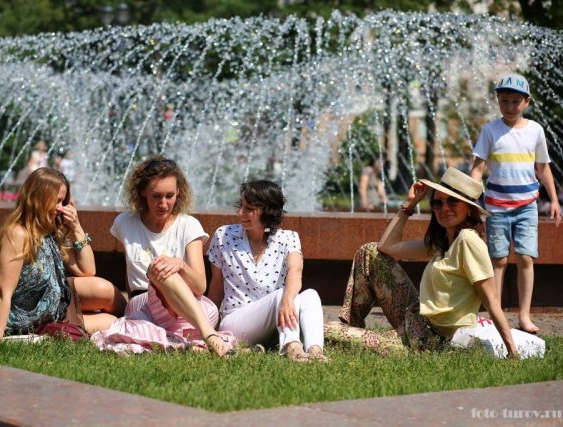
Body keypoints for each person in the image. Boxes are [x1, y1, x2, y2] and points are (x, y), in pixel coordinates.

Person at [326, 167, 518, 357]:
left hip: (427, 340)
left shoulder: (468, 240)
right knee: (369, 251)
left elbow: (491, 300)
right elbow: (386, 246)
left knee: (326, 331)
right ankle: (352, 327)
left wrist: (512, 351)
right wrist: (409, 204)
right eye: (437, 203)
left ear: (469, 208)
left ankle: (345, 336)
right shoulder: (442, 243)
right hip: (415, 317)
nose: (444, 208)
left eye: (452, 201)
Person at [91, 156, 235, 356]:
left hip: (190, 307)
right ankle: (203, 339)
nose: (164, 204)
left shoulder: (188, 225)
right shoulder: (125, 223)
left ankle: (203, 337)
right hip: (145, 305)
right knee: (159, 269)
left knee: (165, 270)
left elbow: (200, 286)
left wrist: (180, 266)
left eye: (170, 196)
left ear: (179, 192)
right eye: (156, 196)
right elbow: (130, 272)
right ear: (142, 192)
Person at [0, 168, 126, 339]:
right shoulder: (18, 234)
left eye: (63, 201)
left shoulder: (48, 231)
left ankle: (141, 322)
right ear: (38, 199)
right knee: (112, 322)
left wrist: (76, 227)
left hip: (55, 300)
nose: (61, 208)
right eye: (57, 201)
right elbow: (4, 293)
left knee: (105, 289)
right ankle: (136, 326)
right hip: (31, 318)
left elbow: (87, 270)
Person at [471, 73, 561, 334]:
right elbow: (477, 169)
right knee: (498, 261)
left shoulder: (535, 131)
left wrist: (554, 200)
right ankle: (495, 314)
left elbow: (543, 168)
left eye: (515, 102)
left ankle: (524, 315)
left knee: (525, 257)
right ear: (498, 100)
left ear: (527, 102)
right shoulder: (490, 131)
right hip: (496, 207)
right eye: (504, 101)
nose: (509, 106)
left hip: (527, 206)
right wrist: (470, 199)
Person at [207, 180, 327, 362]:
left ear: (267, 211)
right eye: (241, 206)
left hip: (273, 323)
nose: (240, 213)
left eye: (249, 209)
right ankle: (293, 347)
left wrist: (287, 299)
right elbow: (216, 286)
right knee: (283, 294)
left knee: (310, 294)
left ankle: (315, 351)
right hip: (236, 322)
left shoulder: (288, 238)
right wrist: (208, 329)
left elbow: (295, 270)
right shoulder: (224, 236)